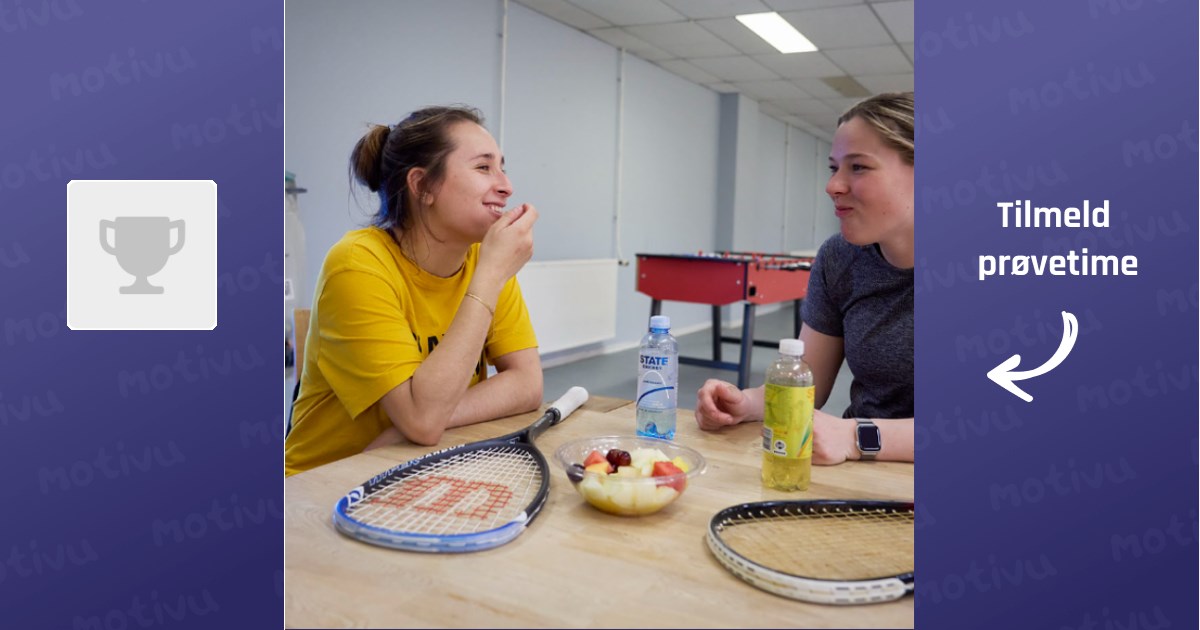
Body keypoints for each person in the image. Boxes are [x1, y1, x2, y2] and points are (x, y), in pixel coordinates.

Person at [285, 105, 543, 476]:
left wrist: (405, 429)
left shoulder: (483, 261)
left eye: (503, 167)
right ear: (422, 185)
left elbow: (527, 383)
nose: (506, 185)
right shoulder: (357, 264)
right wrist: (490, 277)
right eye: (484, 167)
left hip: (412, 469)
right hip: (325, 486)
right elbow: (422, 421)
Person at [694, 92, 915, 465]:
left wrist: (855, 437)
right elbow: (807, 380)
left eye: (858, 167)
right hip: (858, 472)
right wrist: (744, 403)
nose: (833, 185)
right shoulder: (840, 257)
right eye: (834, 168)